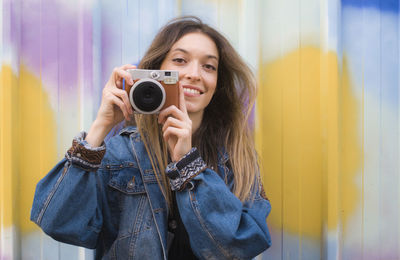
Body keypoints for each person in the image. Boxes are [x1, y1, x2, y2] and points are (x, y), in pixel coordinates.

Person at [31, 16, 271, 260]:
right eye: (180, 60)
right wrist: (99, 129)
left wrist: (188, 165)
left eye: (209, 66)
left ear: (217, 83)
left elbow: (240, 246)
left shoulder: (236, 158)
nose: (194, 74)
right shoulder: (121, 153)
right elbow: (57, 222)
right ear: (155, 72)